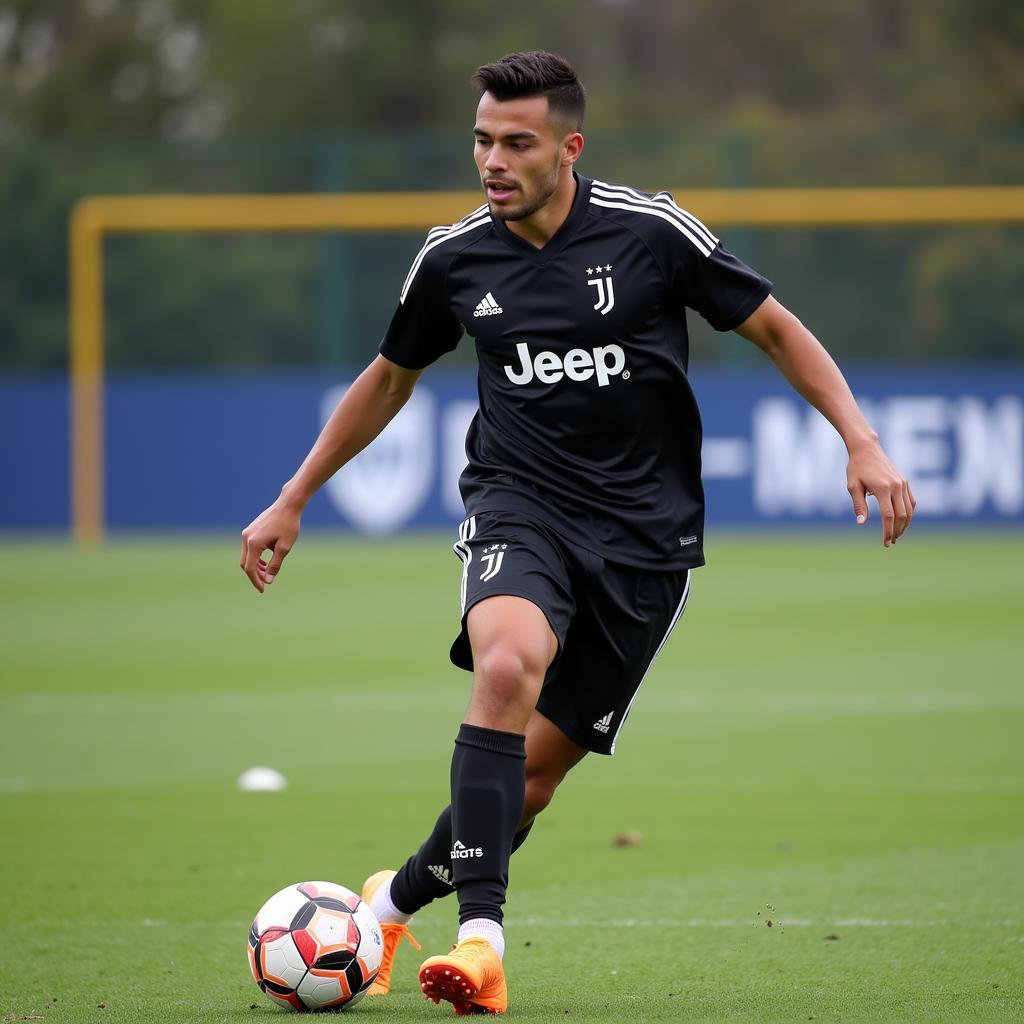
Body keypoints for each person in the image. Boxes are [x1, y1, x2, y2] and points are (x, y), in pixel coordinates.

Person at [240, 50, 915, 1015]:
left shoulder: (650, 232)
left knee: (534, 781)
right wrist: (295, 493)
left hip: (647, 543)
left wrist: (862, 439)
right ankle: (483, 944)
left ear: (569, 147)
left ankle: (388, 907)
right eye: (482, 140)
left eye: (517, 143)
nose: (493, 161)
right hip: (520, 505)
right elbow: (390, 376)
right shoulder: (453, 258)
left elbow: (774, 328)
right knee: (506, 663)